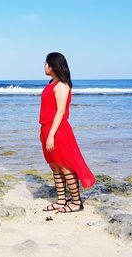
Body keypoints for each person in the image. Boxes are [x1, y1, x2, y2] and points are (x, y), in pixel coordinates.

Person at [39, 52, 96, 213]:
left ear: (53, 66)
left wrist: (51, 134)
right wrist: (43, 132)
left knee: (65, 166)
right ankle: (61, 200)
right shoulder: (51, 83)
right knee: (54, 166)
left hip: (58, 130)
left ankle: (76, 202)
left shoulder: (62, 86)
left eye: (46, 63)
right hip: (47, 129)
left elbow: (60, 112)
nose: (44, 66)